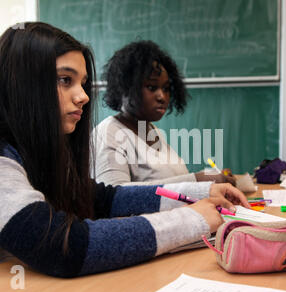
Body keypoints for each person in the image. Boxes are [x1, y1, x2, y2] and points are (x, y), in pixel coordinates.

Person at [0, 22, 249, 283]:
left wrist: (201, 192)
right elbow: (60, 247)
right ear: (21, 83)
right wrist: (190, 220)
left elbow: (105, 199)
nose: (83, 96)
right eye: (65, 80)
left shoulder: (33, 149)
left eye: (83, 83)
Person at [94, 40, 237, 186]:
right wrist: (198, 179)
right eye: (151, 87)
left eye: (166, 88)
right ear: (125, 87)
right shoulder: (107, 134)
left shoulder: (151, 131)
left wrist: (210, 179)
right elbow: (114, 198)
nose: (162, 96)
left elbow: (171, 184)